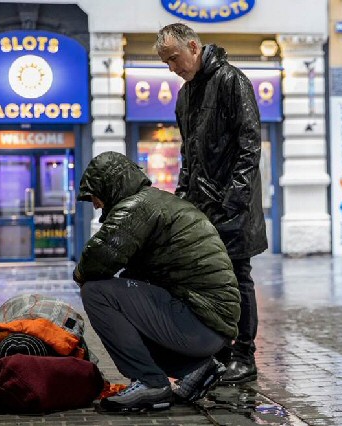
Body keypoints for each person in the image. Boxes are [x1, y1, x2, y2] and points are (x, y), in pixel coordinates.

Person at [73, 151, 240, 412]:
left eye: (94, 195)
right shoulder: (157, 202)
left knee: (96, 292)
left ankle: (150, 383)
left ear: (111, 184)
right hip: (208, 325)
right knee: (124, 305)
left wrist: (80, 276)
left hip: (199, 324)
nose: (95, 205)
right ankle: (195, 369)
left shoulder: (136, 207)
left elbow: (96, 260)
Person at [155, 23, 267, 384]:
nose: (173, 67)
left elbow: (250, 144)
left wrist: (234, 198)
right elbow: (189, 154)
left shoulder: (232, 81)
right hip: (202, 207)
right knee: (206, 281)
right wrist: (182, 200)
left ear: (192, 46)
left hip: (234, 206)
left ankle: (244, 356)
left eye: (174, 58)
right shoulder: (185, 95)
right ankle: (217, 353)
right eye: (167, 63)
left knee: (238, 276)